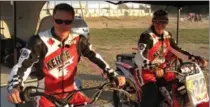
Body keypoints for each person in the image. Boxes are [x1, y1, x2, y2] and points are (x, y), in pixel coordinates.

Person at [7, 3, 125, 107]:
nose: (63, 25)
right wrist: (15, 87)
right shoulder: (39, 41)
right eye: (59, 21)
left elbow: (95, 58)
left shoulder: (79, 41)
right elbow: (22, 66)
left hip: (71, 92)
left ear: (72, 22)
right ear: (53, 20)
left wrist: (112, 74)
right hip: (45, 95)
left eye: (67, 22)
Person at [134, 9, 208, 107]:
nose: (160, 25)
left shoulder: (167, 36)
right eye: (157, 21)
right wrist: (154, 68)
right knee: (152, 95)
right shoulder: (147, 37)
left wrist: (196, 59)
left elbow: (178, 52)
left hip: (163, 71)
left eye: (164, 22)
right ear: (153, 22)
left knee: (178, 90)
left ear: (167, 23)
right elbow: (139, 57)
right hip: (146, 72)